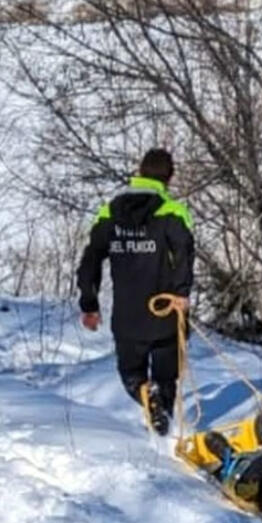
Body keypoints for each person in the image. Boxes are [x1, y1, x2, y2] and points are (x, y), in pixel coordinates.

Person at [76, 149, 196, 435]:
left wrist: (89, 304)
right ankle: (162, 422)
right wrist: (181, 293)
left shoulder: (110, 212)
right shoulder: (174, 212)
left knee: (131, 375)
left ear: (139, 171)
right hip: (166, 312)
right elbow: (184, 254)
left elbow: (90, 259)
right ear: (170, 176)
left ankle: (147, 400)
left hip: (127, 318)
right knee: (168, 381)